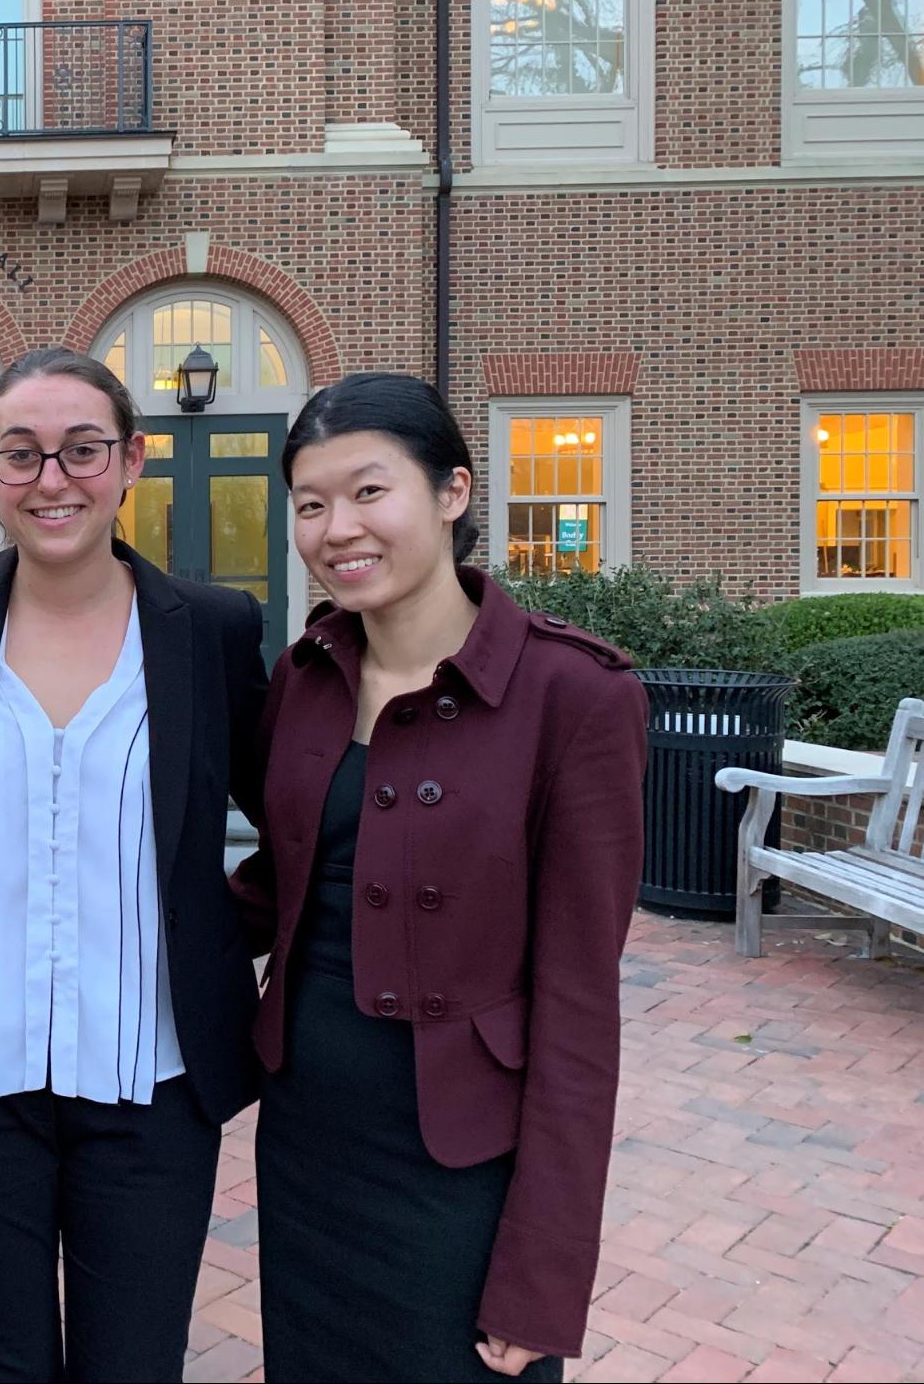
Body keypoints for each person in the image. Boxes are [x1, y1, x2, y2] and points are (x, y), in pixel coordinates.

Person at [231, 373, 647, 1382]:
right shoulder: (304, 676)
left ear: (452, 492)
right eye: (310, 504)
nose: (337, 529)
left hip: (460, 1170)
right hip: (307, 1148)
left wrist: (543, 1270)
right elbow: (280, 886)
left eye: (369, 493)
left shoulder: (572, 696)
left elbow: (579, 1006)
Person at [0, 346, 269, 1383]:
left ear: (132, 460)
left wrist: (221, 926)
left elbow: (299, 819)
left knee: (133, 1366)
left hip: (151, 1084)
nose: (53, 481)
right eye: (21, 455)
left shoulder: (210, 631)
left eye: (82, 450)